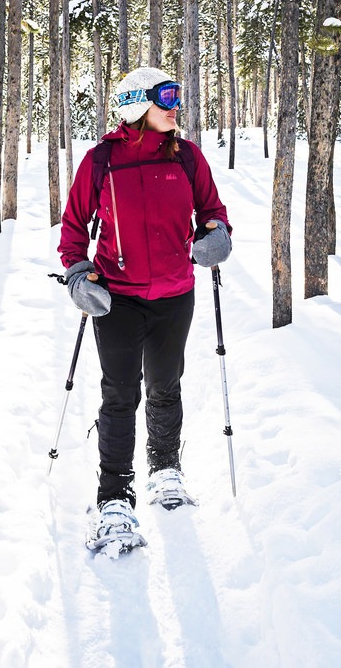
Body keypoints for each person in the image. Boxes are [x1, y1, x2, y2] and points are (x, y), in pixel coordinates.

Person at [58, 65, 232, 554]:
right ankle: (115, 497)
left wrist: (217, 236)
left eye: (176, 95)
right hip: (117, 299)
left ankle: (164, 468)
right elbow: (73, 229)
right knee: (119, 394)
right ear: (138, 105)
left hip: (176, 295)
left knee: (165, 384)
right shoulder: (101, 162)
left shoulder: (189, 158)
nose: (176, 105)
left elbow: (213, 212)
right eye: (166, 97)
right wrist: (77, 273)